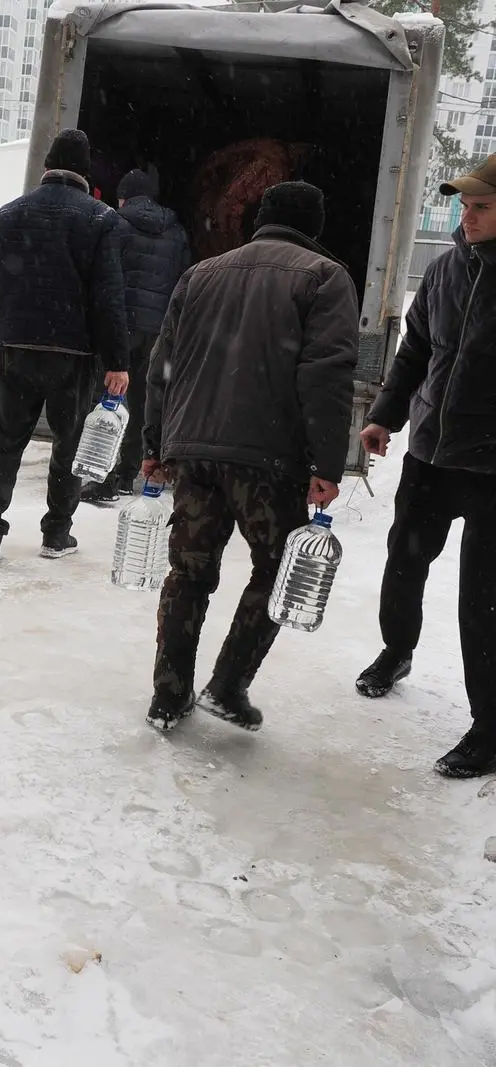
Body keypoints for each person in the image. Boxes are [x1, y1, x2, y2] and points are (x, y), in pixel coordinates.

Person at [142, 181, 358, 732]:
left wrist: (153, 444)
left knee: (187, 573)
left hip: (193, 453)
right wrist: (328, 464)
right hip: (268, 458)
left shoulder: (201, 274)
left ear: (260, 218)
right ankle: (229, 684)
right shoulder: (324, 277)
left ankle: (168, 697)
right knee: (276, 571)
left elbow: (162, 364)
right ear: (315, 225)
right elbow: (325, 377)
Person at [355, 154, 496, 778]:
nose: (466, 216)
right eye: (465, 205)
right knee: (405, 555)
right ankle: (396, 649)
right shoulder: (444, 270)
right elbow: (414, 351)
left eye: (481, 207)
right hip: (430, 455)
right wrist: (386, 414)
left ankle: (489, 727)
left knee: (484, 598)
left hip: (492, 467)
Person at [0, 128, 130, 566]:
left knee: (5, 442)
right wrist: (117, 361)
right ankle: (56, 534)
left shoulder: (11, 213)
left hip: (17, 348)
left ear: (46, 167)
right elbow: (108, 297)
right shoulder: (100, 219)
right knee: (68, 445)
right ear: (85, 174)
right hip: (74, 356)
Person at [83, 168, 190, 505]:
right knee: (145, 403)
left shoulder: (115, 223)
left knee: (108, 399)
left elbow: (103, 277)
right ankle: (128, 473)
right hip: (158, 330)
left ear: (125, 197)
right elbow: (184, 281)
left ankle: (102, 474)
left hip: (120, 326)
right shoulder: (177, 231)